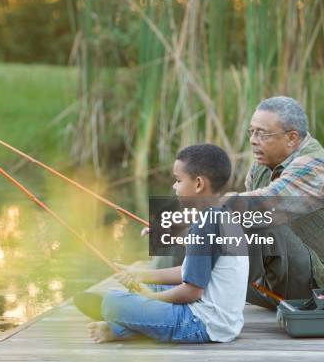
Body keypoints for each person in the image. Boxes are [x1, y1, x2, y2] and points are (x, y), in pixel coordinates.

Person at [76, 144, 249, 344]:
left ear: (199, 183)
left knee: (115, 302)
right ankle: (121, 327)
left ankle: (117, 317)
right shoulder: (222, 215)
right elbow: (188, 272)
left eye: (178, 180)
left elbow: (192, 291)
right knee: (153, 287)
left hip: (202, 324)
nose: (174, 187)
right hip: (225, 323)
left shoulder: (205, 225)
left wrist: (152, 300)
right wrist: (142, 275)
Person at [225, 96, 324, 309]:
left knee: (261, 217)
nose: (253, 140)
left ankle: (218, 290)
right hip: (286, 282)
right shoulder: (261, 166)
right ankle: (213, 286)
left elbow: (266, 203)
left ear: (292, 138)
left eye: (262, 133)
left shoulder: (314, 168)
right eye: (252, 132)